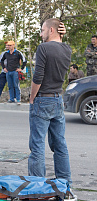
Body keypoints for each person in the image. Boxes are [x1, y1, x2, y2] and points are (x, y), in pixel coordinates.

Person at [28, 18, 72, 185]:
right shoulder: (67, 49)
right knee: (60, 144)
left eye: (43, 30)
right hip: (57, 99)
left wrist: (32, 97)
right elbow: (60, 45)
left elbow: (38, 76)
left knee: (37, 146)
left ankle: (37, 186)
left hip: (42, 99)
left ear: (51, 30)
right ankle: (65, 183)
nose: (41, 34)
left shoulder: (43, 48)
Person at [0, 41, 27, 105]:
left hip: (15, 71)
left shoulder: (18, 53)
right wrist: (4, 68)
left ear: (13, 45)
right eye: (8, 45)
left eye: (10, 45)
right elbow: (1, 60)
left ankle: (18, 99)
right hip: (8, 71)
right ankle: (11, 98)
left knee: (16, 85)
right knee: (10, 85)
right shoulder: (6, 53)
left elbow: (24, 60)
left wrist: (21, 69)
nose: (8, 47)